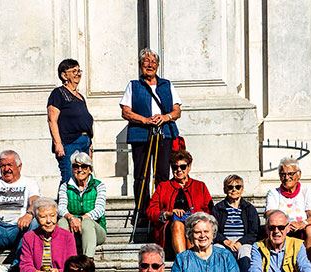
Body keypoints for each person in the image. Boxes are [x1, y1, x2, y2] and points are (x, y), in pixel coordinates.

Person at [121, 48, 182, 207]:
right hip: (140, 134)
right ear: (141, 65)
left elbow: (177, 111)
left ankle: (161, 207)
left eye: (153, 62)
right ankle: (142, 210)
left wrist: (165, 117)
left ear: (158, 65)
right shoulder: (133, 85)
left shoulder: (167, 85)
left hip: (164, 134)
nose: (150, 65)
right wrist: (145, 120)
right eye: (146, 61)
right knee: (141, 174)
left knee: (162, 172)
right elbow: (126, 112)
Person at [146, 150, 213, 254]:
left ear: (189, 167)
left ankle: (192, 259)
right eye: (175, 167)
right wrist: (168, 213)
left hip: (195, 229)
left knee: (193, 226)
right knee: (178, 224)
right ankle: (184, 260)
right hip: (170, 231)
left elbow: (209, 211)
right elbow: (151, 211)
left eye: (183, 167)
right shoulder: (163, 187)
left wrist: (197, 217)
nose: (179, 170)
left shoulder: (200, 186)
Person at [264, 157, 311, 262]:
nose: (287, 177)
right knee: (276, 229)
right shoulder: (273, 193)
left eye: (290, 174)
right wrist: (286, 224)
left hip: (302, 228)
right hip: (282, 227)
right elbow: (270, 214)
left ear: (298, 175)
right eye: (283, 174)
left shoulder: (307, 191)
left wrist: (302, 223)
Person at [47, 58, 94, 184]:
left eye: (79, 70)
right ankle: (64, 204)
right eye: (74, 71)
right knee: (69, 180)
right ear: (64, 75)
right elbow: (52, 120)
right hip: (69, 143)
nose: (78, 73)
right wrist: (58, 144)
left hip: (84, 142)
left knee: (84, 181)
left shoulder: (80, 96)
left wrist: (89, 143)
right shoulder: (58, 93)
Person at [212, 174, 260, 272]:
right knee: (218, 252)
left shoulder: (249, 208)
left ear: (242, 189)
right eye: (230, 187)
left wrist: (240, 242)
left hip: (243, 241)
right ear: (225, 189)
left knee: (245, 252)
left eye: (238, 187)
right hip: (223, 241)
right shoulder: (218, 208)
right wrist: (225, 241)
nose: (234, 189)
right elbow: (213, 230)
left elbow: (254, 232)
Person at [56, 151, 107, 257]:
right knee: (61, 222)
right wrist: (71, 218)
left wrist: (81, 219)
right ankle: (66, 260)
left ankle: (88, 261)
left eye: (84, 166)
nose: (80, 170)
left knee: (87, 223)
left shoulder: (99, 186)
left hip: (95, 231)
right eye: (76, 166)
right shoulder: (65, 186)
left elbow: (99, 209)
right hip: (73, 228)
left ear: (90, 169)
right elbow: (61, 208)